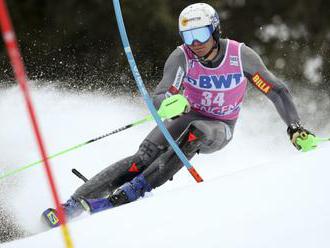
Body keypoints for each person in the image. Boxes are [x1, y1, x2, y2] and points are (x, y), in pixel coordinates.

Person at [42, 3, 316, 227]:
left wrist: (294, 127)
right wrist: (170, 102)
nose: (195, 43)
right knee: (144, 157)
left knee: (197, 129)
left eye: (201, 35)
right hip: (187, 116)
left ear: (215, 31)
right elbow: (161, 94)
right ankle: (74, 204)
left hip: (220, 127)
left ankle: (135, 190)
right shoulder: (182, 57)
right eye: (188, 37)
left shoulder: (239, 56)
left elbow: (277, 91)